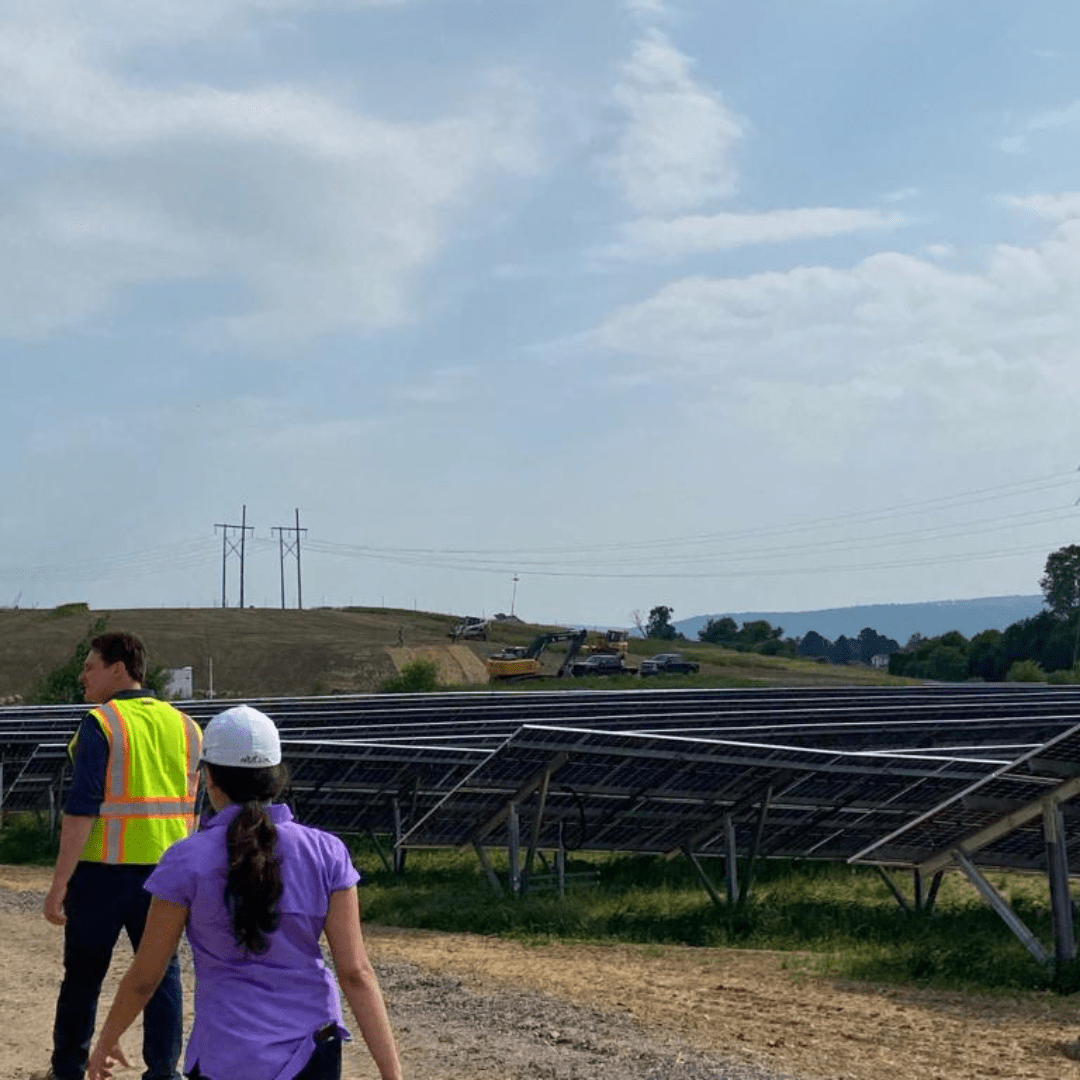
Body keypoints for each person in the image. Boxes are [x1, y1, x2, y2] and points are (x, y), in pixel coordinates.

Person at [85, 704, 404, 1080]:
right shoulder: (327, 852)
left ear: (209, 779)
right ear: (275, 777)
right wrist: (391, 1072)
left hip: (225, 1051)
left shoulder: (185, 860)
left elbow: (146, 974)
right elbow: (355, 972)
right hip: (311, 1047)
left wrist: (108, 1038)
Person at [41, 630, 202, 1080]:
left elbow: (82, 809)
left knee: (83, 977)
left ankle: (68, 1069)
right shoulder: (187, 727)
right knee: (162, 975)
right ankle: (163, 1072)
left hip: (101, 874)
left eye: (90, 666)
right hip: (168, 874)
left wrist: (58, 885)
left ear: (118, 669)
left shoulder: (102, 722)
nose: (82, 675)